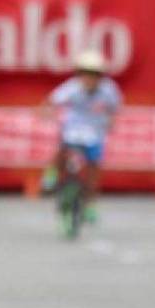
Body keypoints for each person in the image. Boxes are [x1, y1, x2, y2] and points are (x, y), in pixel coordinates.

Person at [42, 50, 122, 222]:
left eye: (94, 74)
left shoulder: (109, 90)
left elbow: (114, 110)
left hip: (94, 132)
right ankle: (52, 174)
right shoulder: (72, 87)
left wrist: (111, 122)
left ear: (100, 76)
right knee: (62, 150)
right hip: (73, 128)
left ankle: (90, 204)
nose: (89, 78)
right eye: (86, 73)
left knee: (93, 169)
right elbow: (52, 101)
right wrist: (47, 112)